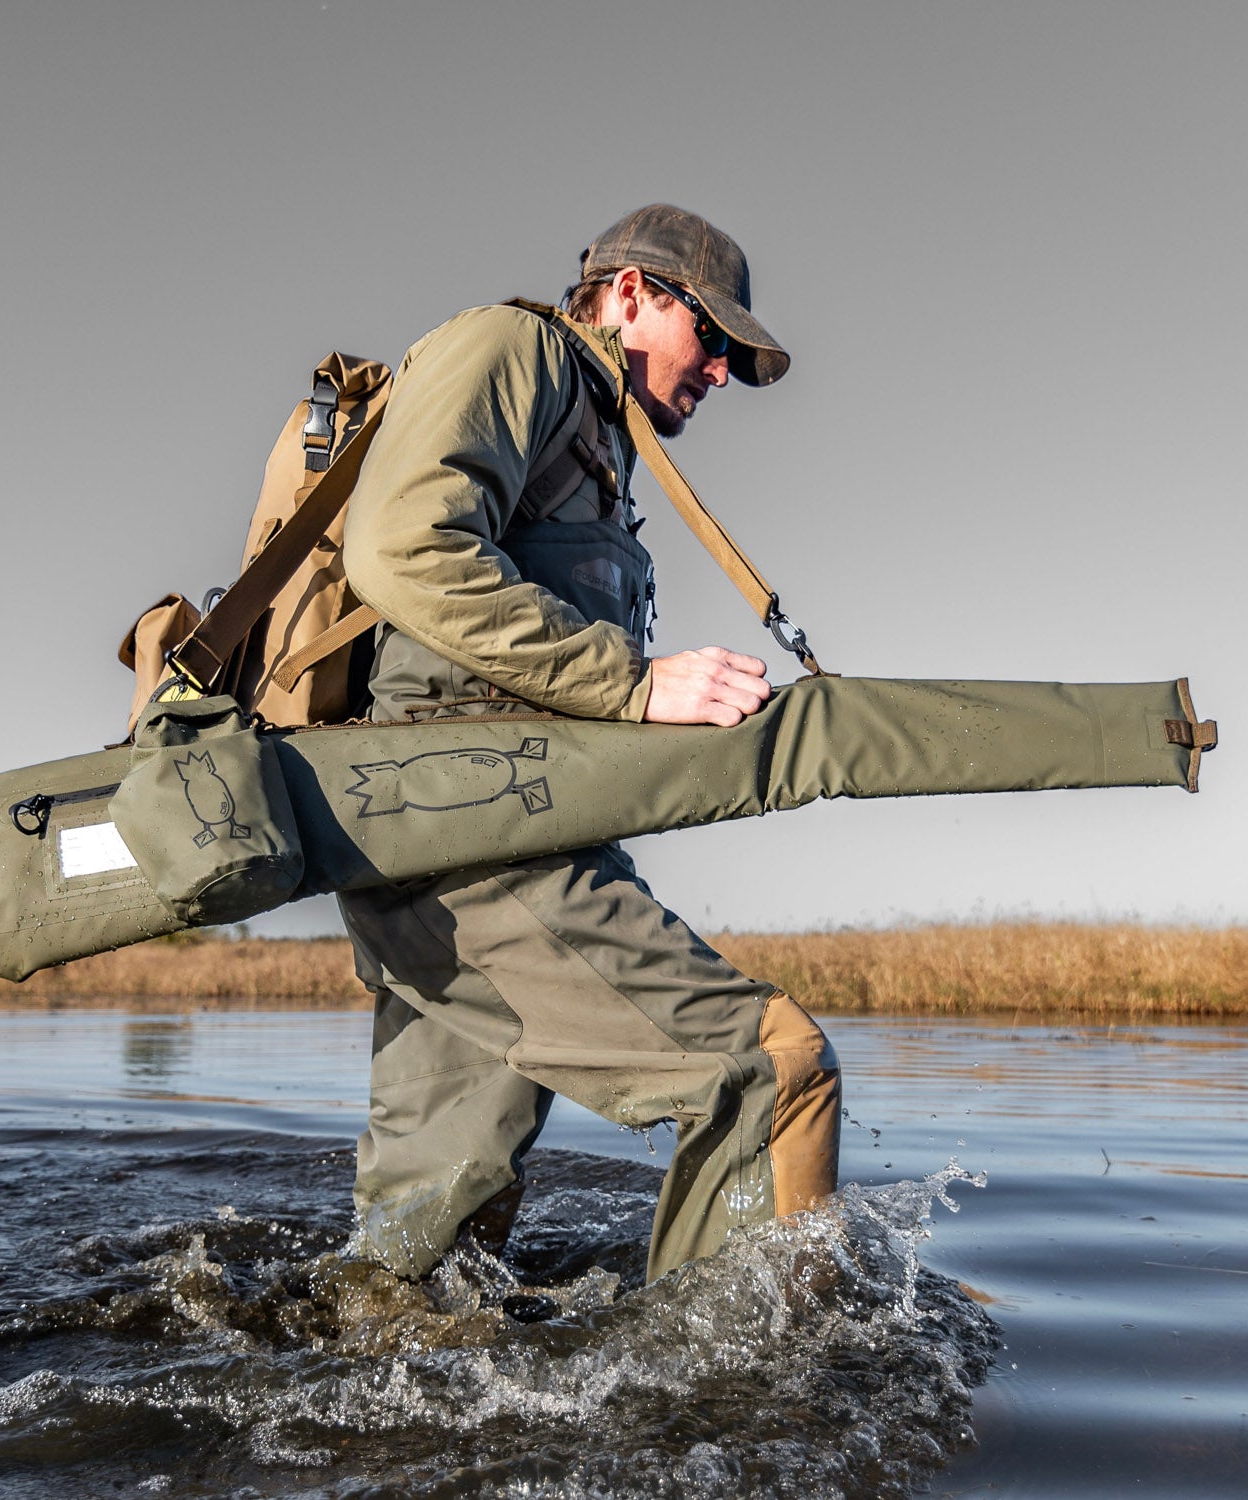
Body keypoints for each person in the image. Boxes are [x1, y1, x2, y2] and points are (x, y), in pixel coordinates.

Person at [337, 204, 841, 1285]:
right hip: (471, 835)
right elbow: (399, 549)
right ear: (628, 295)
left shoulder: (599, 447)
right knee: (773, 1068)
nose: (718, 373)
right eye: (711, 338)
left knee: (427, 1250)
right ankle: (754, 1409)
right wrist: (632, 682)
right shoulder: (516, 352)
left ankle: (355, 1405)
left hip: (457, 844)